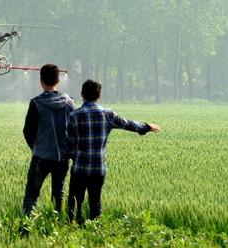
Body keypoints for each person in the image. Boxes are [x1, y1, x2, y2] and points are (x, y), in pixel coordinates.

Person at [67, 79, 161, 225]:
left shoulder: (74, 116)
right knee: (95, 203)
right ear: (99, 95)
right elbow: (128, 124)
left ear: (82, 94)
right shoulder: (108, 114)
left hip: (79, 168)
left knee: (74, 202)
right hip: (99, 169)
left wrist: (74, 156)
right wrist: (146, 127)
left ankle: (72, 229)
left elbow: (69, 142)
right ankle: (96, 232)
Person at [22, 64, 75, 215]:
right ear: (58, 80)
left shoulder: (36, 103)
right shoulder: (69, 102)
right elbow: (73, 130)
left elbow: (27, 131)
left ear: (41, 81)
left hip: (41, 157)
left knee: (31, 196)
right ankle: (56, 225)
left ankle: (26, 229)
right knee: (58, 194)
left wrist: (36, 147)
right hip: (62, 158)